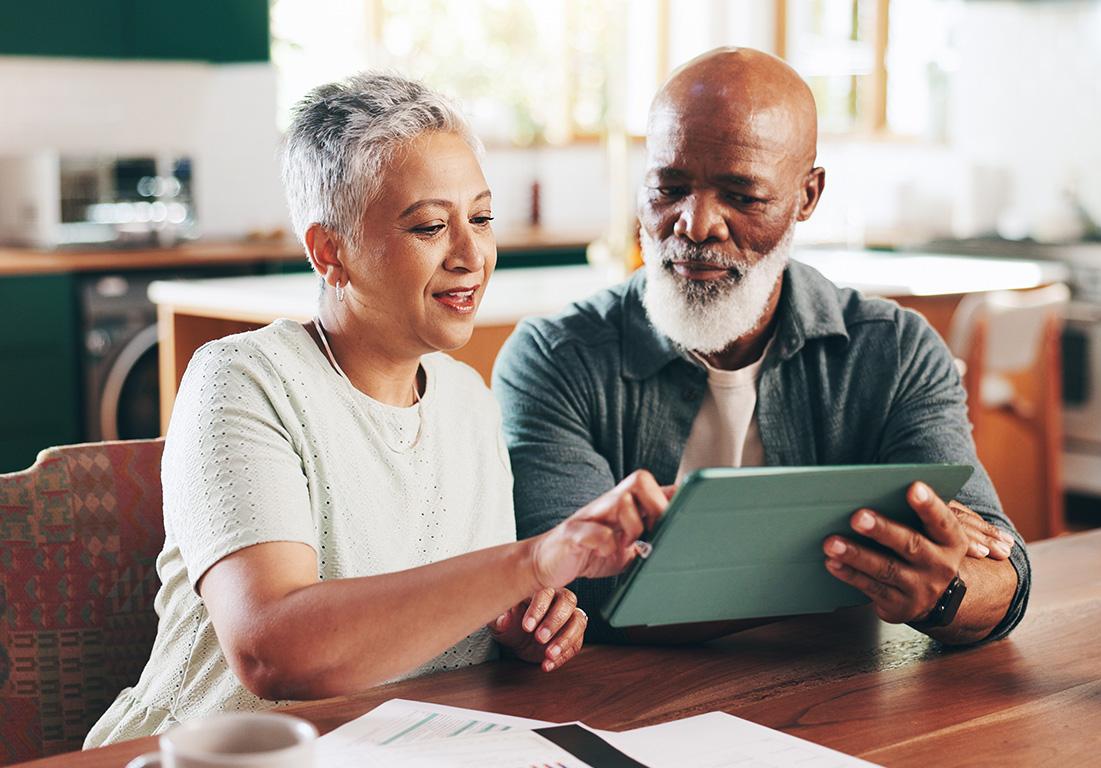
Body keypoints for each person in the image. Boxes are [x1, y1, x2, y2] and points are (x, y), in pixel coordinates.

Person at [86, 72, 666, 747]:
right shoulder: (242, 381)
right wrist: (536, 562)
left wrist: (512, 623)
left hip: (410, 751)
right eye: (429, 226)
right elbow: (274, 650)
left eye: (480, 218)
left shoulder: (469, 402)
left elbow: (459, 604)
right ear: (330, 253)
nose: (470, 254)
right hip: (211, 757)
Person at [493, 48, 1028, 647]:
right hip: (623, 711)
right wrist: (858, 567)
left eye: (742, 196)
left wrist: (947, 589)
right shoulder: (552, 357)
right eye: (668, 187)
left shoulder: (896, 352)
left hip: (835, 707)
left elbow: (998, 566)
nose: (695, 225)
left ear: (807, 196)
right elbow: (573, 586)